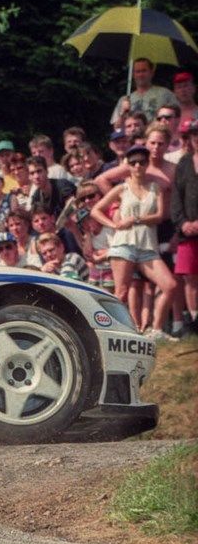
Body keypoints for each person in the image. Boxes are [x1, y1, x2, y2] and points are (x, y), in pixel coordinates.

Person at [90, 145, 179, 341]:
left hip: (148, 247)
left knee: (170, 285)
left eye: (142, 161)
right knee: (120, 292)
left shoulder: (156, 187)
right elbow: (95, 210)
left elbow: (159, 216)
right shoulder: (122, 188)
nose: (137, 165)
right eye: (133, 162)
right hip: (124, 244)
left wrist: (135, 220)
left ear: (147, 164)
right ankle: (106, 332)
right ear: (128, 165)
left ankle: (155, 330)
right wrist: (114, 224)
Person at [170, 119, 198, 334]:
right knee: (189, 277)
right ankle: (195, 320)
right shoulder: (184, 163)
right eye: (194, 134)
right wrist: (182, 223)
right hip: (187, 230)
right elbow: (176, 197)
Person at [111, 58, 178, 129]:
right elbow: (117, 128)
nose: (141, 74)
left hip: (157, 138)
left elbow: (178, 118)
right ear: (133, 74)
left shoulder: (165, 94)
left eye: (144, 71)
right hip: (133, 139)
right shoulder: (125, 99)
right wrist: (123, 113)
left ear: (152, 72)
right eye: (138, 71)